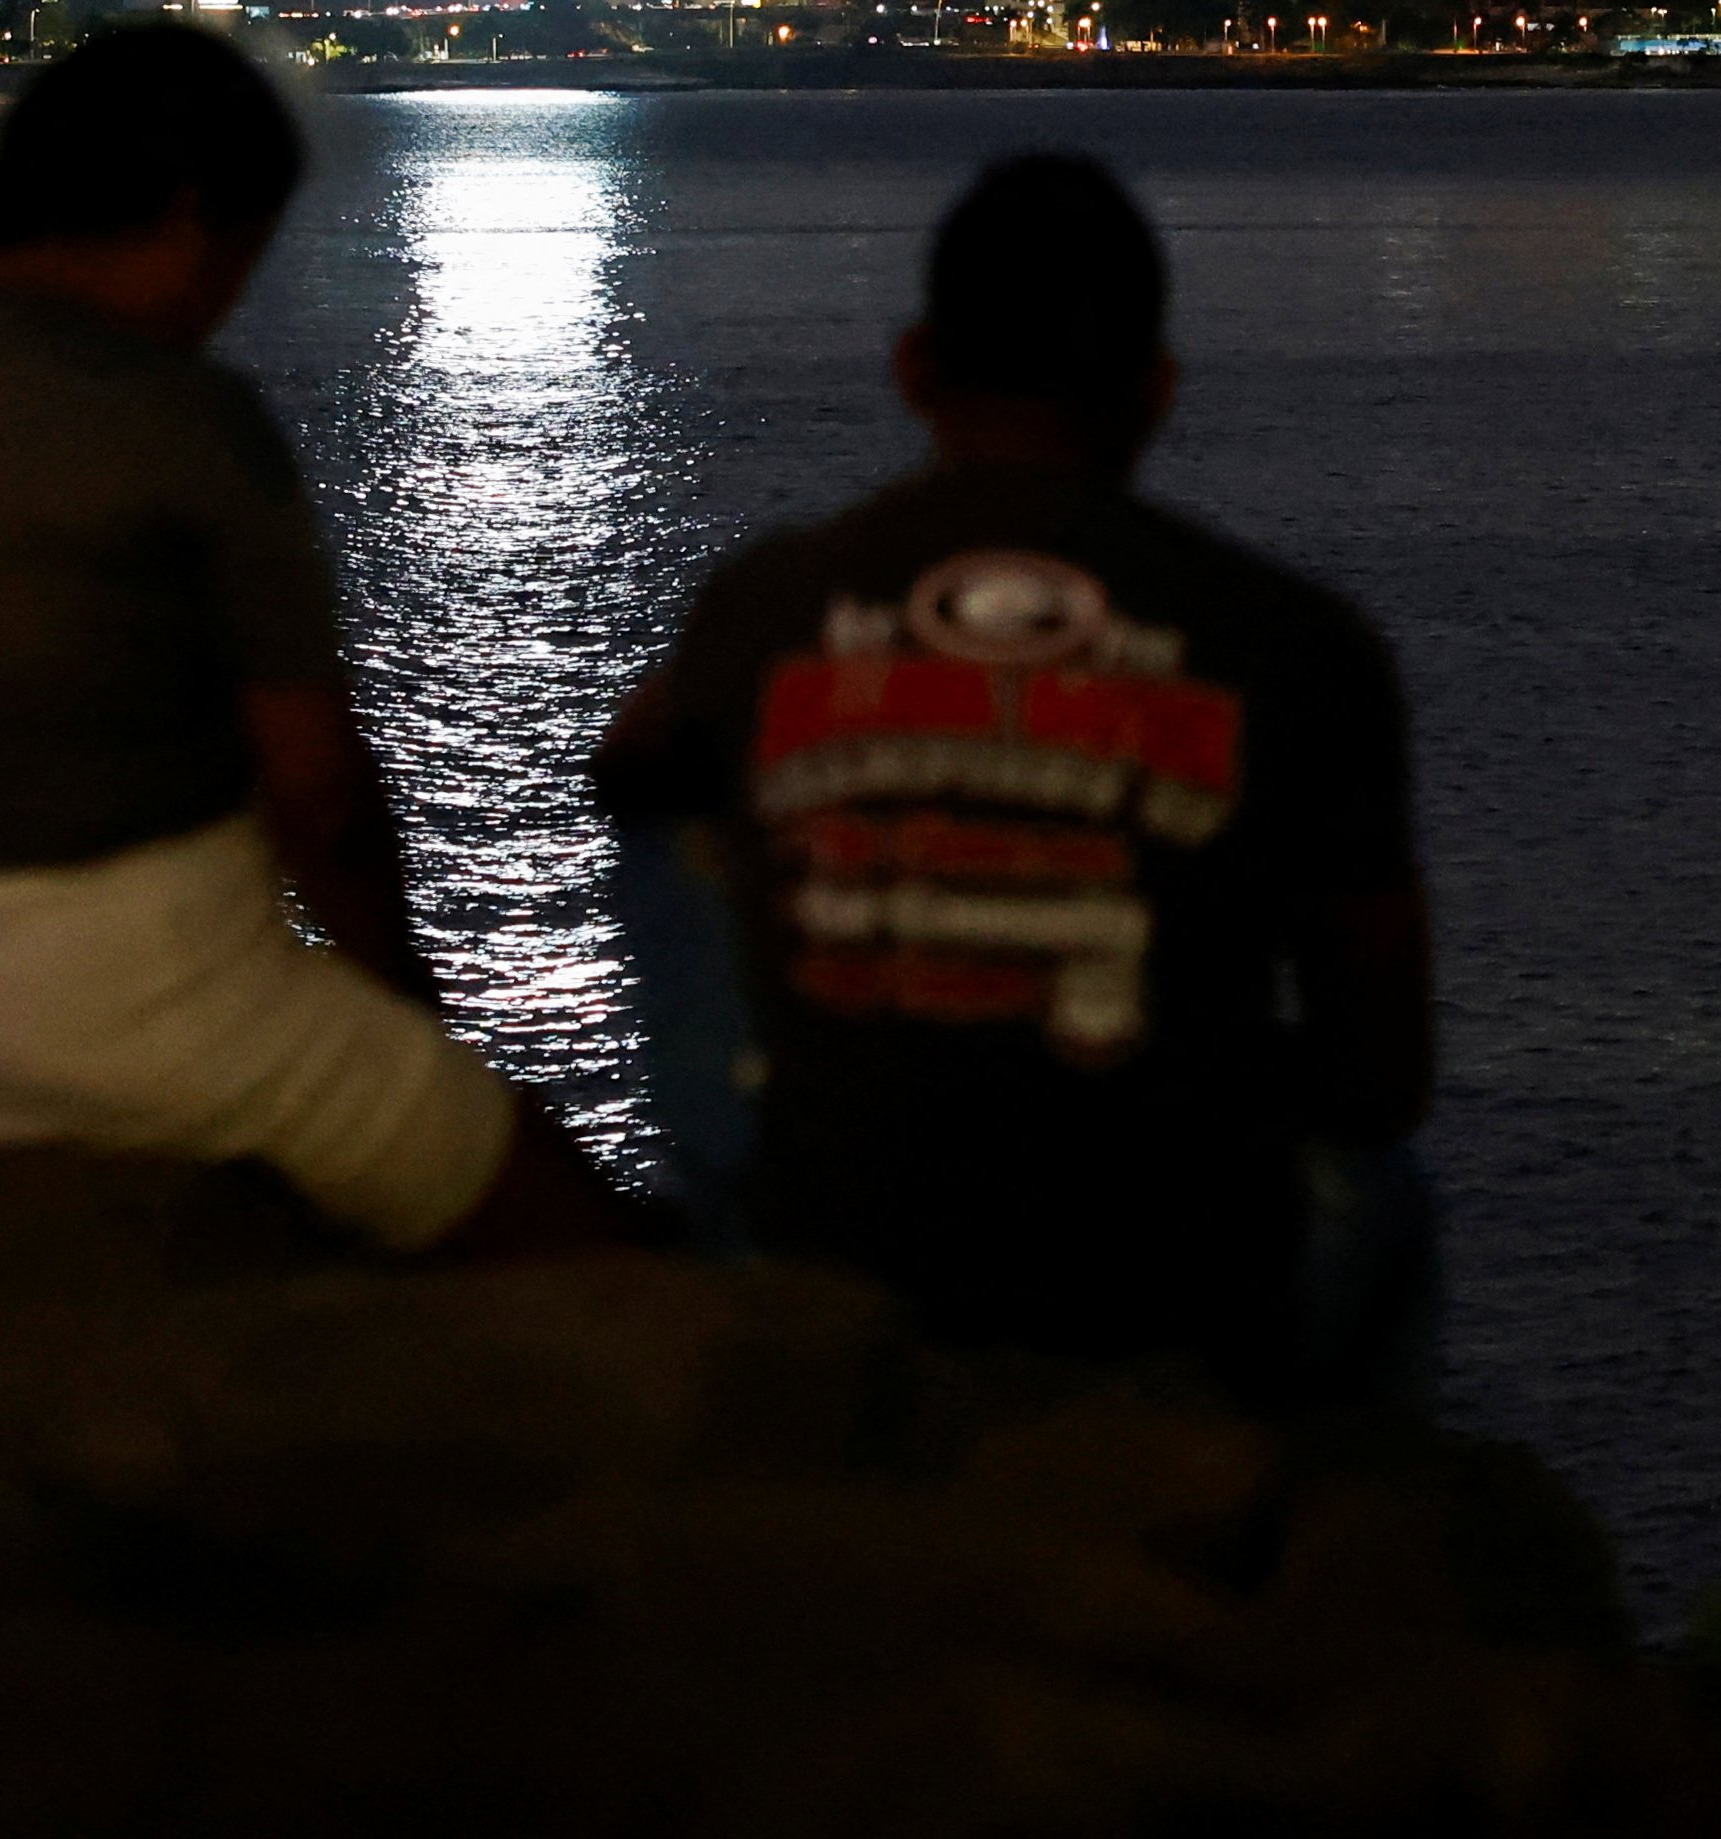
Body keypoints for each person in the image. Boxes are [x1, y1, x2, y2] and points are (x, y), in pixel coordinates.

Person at [0, 23, 625, 1257]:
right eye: (246, 252)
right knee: (566, 1232)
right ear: (194, 217)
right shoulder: (174, 413)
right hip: (115, 1007)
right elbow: (320, 799)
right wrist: (416, 1033)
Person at [594, 151, 1433, 1400]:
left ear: (914, 368)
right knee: (1383, 1200)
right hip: (1159, 1287)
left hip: (841, 1246)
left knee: (676, 795)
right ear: (1156, 391)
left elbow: (627, 773)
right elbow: (1381, 1076)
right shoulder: (1298, 643)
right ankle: (1317, 1486)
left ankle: (745, 1192)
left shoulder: (769, 597)